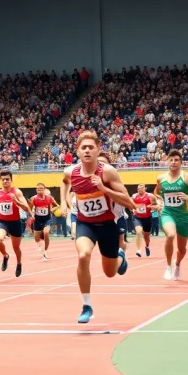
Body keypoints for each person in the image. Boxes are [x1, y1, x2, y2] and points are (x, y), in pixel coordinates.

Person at [61, 130, 131, 324]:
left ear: (98, 149)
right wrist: (64, 201)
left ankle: (120, 257)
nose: (87, 150)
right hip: (85, 223)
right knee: (83, 255)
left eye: (91, 147)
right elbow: (64, 181)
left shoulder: (107, 172)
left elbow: (127, 200)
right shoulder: (71, 171)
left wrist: (103, 188)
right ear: (77, 151)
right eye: (83, 147)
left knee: (110, 272)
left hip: (108, 224)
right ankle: (86, 305)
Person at [154, 149, 188, 281]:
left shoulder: (187, 178)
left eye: (176, 160)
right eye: (171, 160)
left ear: (181, 163)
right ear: (167, 161)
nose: (173, 162)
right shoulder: (161, 178)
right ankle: (168, 266)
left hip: (183, 215)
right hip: (167, 213)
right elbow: (156, 193)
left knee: (182, 249)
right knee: (170, 235)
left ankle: (177, 264)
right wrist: (159, 201)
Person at [0, 169, 32, 277]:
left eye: (7, 179)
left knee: (16, 247)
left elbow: (27, 208)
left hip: (15, 222)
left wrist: (16, 201)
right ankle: (5, 255)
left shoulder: (17, 192)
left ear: (11, 180)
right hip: (3, 221)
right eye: (3, 179)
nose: (5, 181)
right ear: (0, 180)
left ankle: (19, 264)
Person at [29, 183, 59, 259]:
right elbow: (29, 208)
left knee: (46, 232)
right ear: (36, 190)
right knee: (36, 238)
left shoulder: (49, 198)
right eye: (38, 189)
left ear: (44, 189)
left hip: (47, 218)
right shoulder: (33, 198)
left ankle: (45, 251)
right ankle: (40, 246)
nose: (39, 190)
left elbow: (57, 205)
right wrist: (31, 214)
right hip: (37, 219)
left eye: (41, 188)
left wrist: (52, 210)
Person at [131, 183, 160, 257]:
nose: (139, 190)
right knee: (138, 231)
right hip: (137, 217)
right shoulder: (134, 196)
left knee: (146, 237)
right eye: (138, 188)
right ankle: (138, 250)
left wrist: (151, 206)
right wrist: (133, 209)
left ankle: (147, 246)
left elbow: (157, 206)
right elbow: (130, 205)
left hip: (147, 218)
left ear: (145, 188)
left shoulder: (150, 196)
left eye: (141, 188)